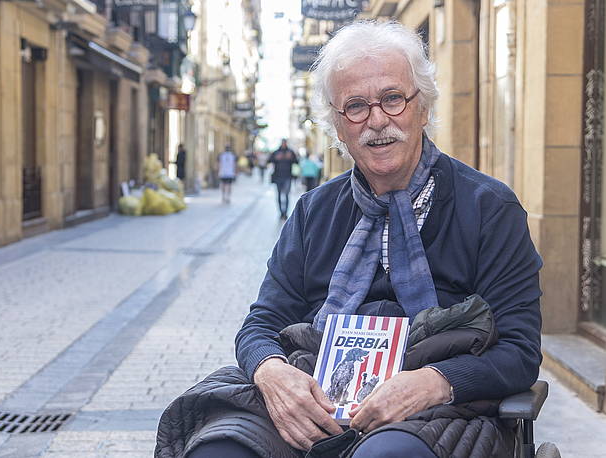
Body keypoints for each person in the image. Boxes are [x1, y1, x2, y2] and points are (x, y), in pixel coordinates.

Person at [157, 20, 542, 458]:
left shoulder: (489, 208)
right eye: (356, 106)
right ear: (338, 127)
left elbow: (519, 350)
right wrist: (271, 372)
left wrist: (434, 382)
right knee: (219, 451)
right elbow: (261, 322)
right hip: (314, 392)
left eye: (393, 99)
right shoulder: (313, 212)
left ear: (423, 107)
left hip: (435, 407)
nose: (377, 121)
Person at [268, 139, 299, 219]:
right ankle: (281, 212)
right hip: (278, 176)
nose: (284, 144)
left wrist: (291, 158)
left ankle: (285, 213)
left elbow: (296, 162)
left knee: (286, 195)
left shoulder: (290, 152)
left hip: (288, 176)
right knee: (278, 195)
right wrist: (276, 158)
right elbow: (269, 161)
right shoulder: (276, 152)